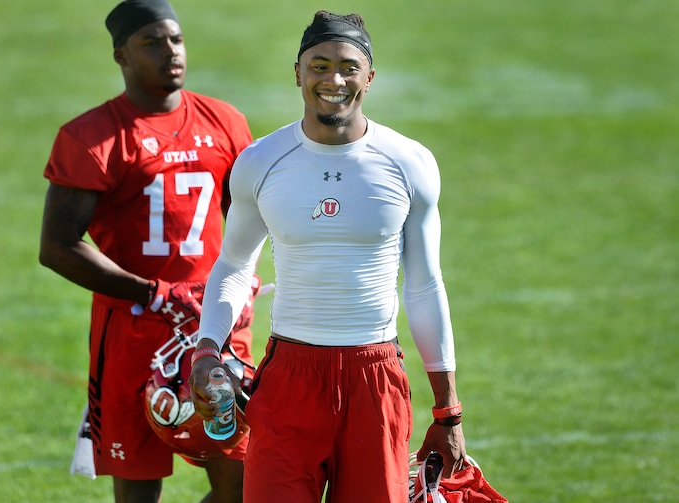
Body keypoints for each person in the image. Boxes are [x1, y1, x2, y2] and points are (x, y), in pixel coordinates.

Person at [188, 9, 467, 503]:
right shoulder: (259, 161)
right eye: (318, 65)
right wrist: (208, 347)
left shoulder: (411, 163)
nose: (333, 79)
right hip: (290, 376)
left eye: (347, 66)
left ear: (370, 77)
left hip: (375, 377)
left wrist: (448, 411)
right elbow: (233, 266)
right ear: (297, 73)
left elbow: (424, 285)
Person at [38, 1, 256, 501]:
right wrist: (155, 293)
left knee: (246, 483)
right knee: (138, 489)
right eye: (151, 43)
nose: (170, 52)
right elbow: (58, 247)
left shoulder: (224, 121)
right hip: (134, 335)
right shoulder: (91, 136)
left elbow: (247, 222)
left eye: (175, 40)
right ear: (122, 56)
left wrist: (244, 282)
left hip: (215, 328)